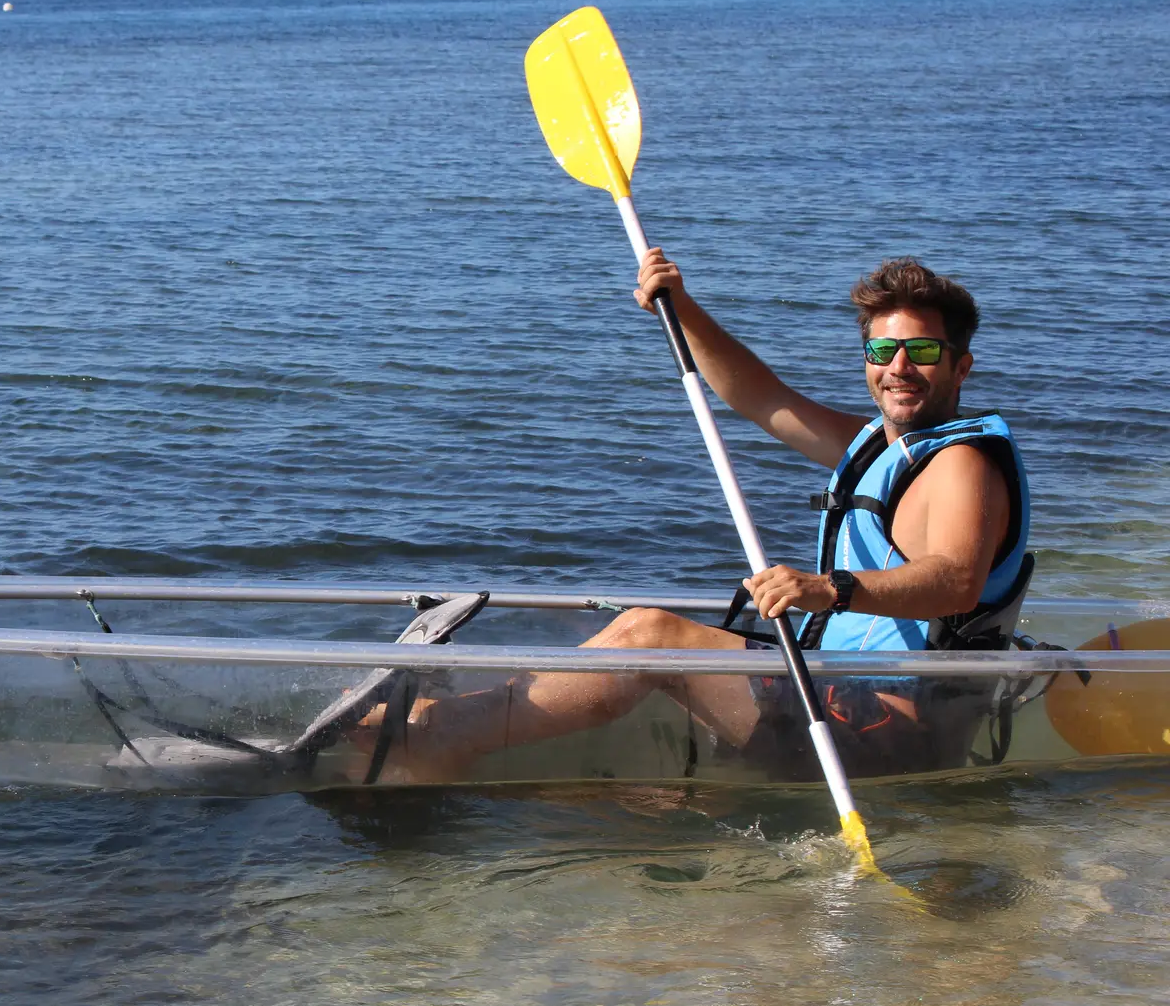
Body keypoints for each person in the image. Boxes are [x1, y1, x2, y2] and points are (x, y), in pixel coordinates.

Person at [358, 250, 1033, 783]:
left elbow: (955, 580)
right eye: (883, 352)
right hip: (832, 692)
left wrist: (828, 589)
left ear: (960, 365)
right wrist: (680, 309)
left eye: (922, 352)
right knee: (626, 638)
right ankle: (454, 733)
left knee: (651, 636)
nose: (899, 369)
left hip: (886, 732)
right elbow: (759, 395)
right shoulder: (878, 446)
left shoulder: (962, 464)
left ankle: (439, 732)